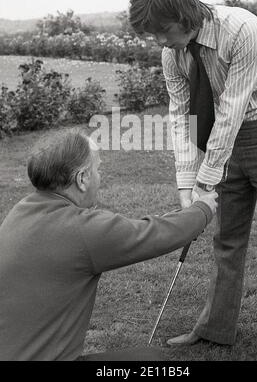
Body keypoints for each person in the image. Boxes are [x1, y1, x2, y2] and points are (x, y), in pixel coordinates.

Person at [128, 0, 257, 360]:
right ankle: (215, 328)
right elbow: (182, 116)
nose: (160, 41)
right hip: (223, 140)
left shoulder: (243, 30)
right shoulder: (173, 54)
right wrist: (188, 188)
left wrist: (206, 180)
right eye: (153, 34)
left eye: (163, 29)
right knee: (226, 239)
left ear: (184, 13)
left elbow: (231, 111)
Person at [0, 129, 217, 361]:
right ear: (82, 179)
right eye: (98, 169)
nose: (99, 176)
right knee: (152, 360)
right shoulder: (81, 230)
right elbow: (154, 234)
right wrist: (203, 209)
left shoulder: (20, 212)